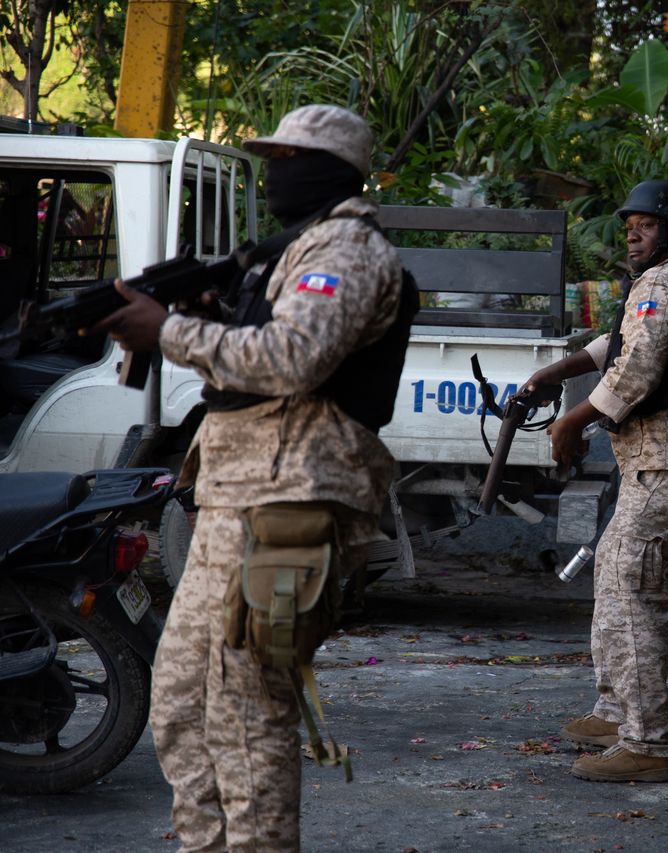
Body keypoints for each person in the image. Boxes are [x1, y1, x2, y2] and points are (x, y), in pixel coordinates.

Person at [87, 104, 412, 849]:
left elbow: (296, 358)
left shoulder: (346, 248)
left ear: (330, 170)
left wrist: (168, 332)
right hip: (236, 492)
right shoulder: (289, 247)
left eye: (288, 160)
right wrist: (213, 318)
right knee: (179, 699)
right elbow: (258, 347)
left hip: (292, 494)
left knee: (246, 705)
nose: (274, 174)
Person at [523, 179, 668, 783]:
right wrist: (557, 370)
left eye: (644, 225)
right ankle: (616, 710)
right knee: (621, 570)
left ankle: (646, 742)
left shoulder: (666, 280)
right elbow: (619, 342)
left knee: (631, 580)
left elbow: (638, 369)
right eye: (629, 225)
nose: (632, 233)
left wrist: (572, 419)